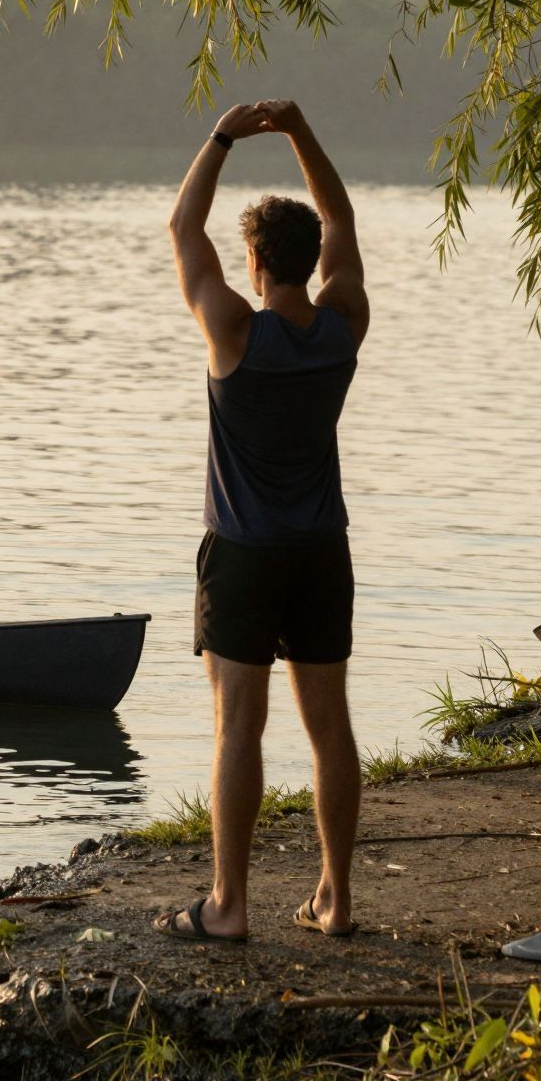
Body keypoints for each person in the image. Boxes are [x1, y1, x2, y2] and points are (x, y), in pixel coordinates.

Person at [158, 98, 370, 942]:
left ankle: (229, 905)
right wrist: (298, 130)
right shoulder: (344, 326)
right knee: (330, 725)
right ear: (311, 261)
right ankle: (338, 899)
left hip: (244, 554)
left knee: (237, 723)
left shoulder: (233, 333)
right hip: (322, 551)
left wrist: (220, 135)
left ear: (253, 262)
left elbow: (183, 226)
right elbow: (343, 213)